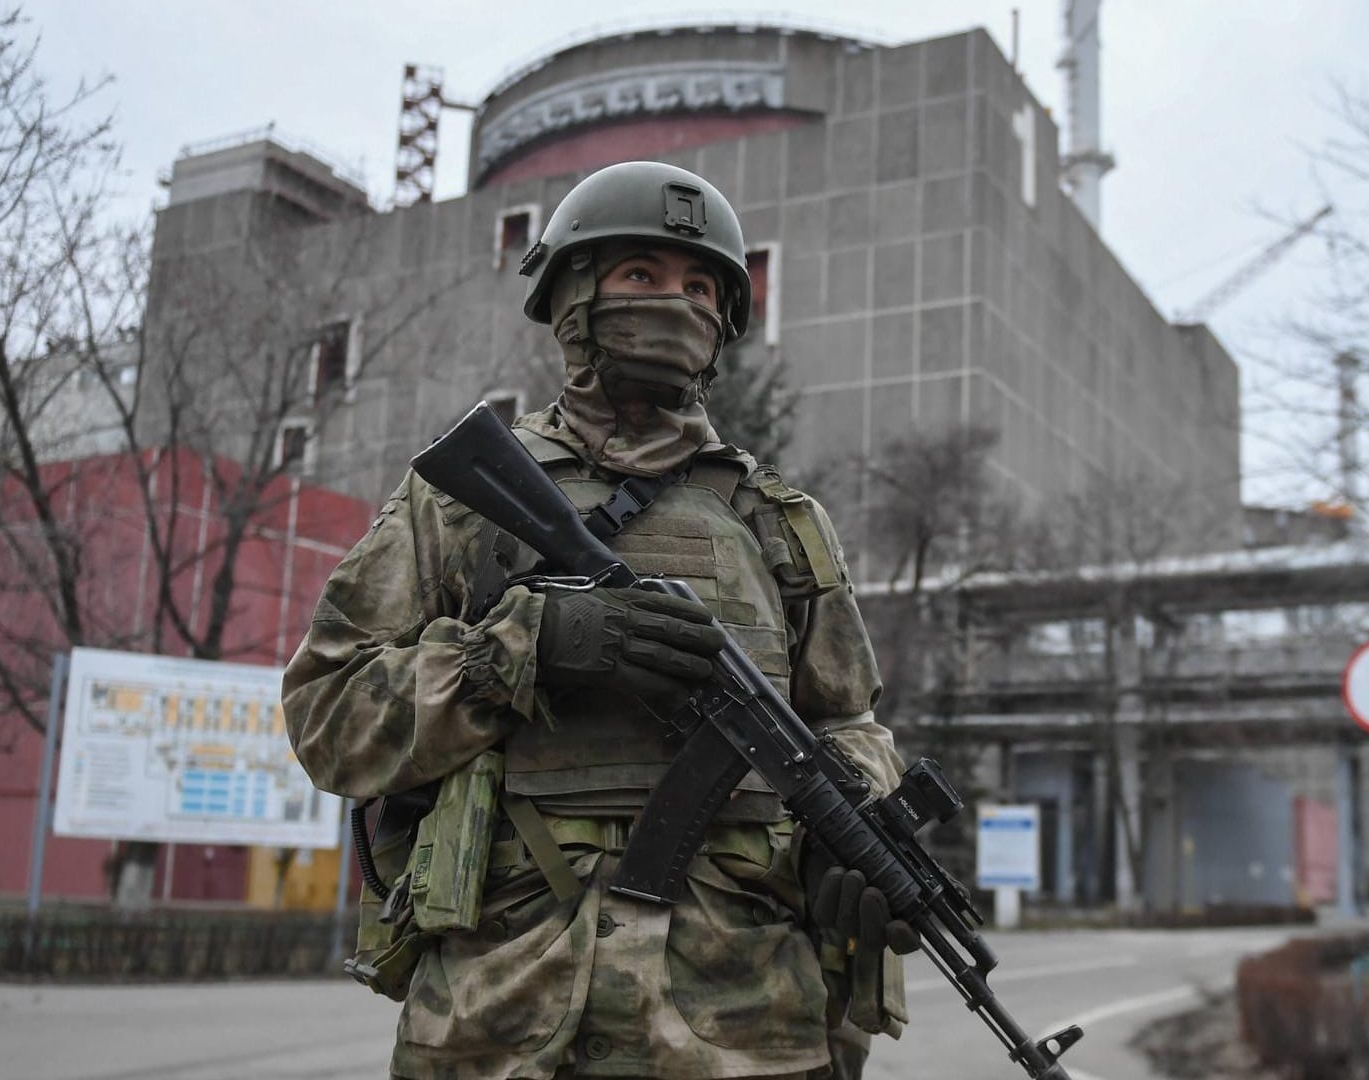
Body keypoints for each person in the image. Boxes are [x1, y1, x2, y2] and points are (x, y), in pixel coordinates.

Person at [283, 160, 911, 1080]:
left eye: (701, 287)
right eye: (642, 276)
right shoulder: (464, 502)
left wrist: (852, 830)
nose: (676, 303)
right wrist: (522, 651)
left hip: (745, 1024)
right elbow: (327, 715)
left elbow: (849, 723)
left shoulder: (778, 522)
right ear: (574, 294)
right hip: (500, 1014)